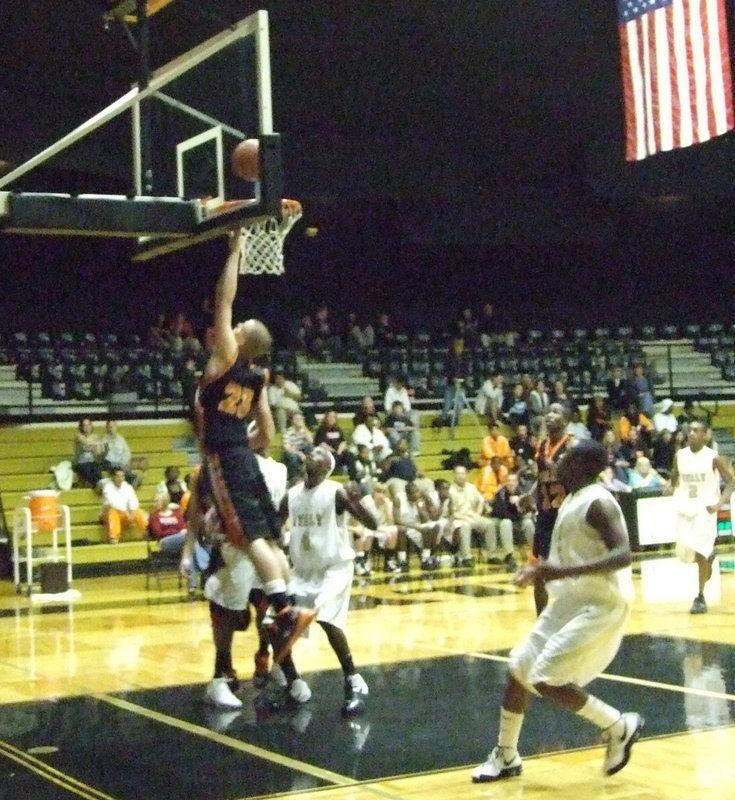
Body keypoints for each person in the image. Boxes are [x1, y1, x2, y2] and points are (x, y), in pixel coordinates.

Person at [471, 439, 643, 783]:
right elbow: (571, 557)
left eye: (566, 456)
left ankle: (617, 724)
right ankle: (506, 756)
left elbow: (625, 554)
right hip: (572, 599)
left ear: (580, 464)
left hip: (601, 603)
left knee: (545, 678)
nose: (558, 461)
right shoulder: (572, 499)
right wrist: (540, 571)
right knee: (519, 667)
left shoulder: (598, 503)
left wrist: (557, 573)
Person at [195, 229, 315, 664]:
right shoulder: (259, 379)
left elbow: (223, 300)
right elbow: (266, 435)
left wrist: (235, 252)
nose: (234, 324)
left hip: (227, 458)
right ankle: (291, 602)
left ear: (242, 341)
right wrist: (242, 441)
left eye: (240, 327)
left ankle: (284, 611)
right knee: (267, 538)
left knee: (249, 538)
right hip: (247, 457)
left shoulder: (228, 356)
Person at [280, 445, 378, 715]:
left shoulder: (335, 492)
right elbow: (273, 526)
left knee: (324, 617)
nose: (312, 455)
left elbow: (373, 524)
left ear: (326, 468)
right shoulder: (292, 496)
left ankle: (353, 681)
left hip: (333, 568)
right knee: (276, 627)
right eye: (311, 453)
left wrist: (358, 503)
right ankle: (294, 685)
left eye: (319, 456)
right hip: (302, 572)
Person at [665, 420, 735, 614]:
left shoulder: (713, 457)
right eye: (690, 430)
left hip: (705, 510)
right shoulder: (679, 455)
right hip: (684, 507)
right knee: (685, 553)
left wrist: (720, 504)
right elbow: (674, 477)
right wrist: (670, 487)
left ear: (705, 435)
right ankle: (709, 557)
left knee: (700, 551)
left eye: (696, 431)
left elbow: (731, 482)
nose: (691, 433)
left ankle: (700, 597)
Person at [524, 403, 573, 615]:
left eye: (556, 412)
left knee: (568, 569)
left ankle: (574, 613)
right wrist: (530, 494)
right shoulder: (541, 446)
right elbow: (541, 477)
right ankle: (540, 620)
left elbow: (577, 478)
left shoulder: (572, 445)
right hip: (545, 515)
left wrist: (559, 469)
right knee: (538, 570)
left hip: (566, 515)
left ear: (566, 420)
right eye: (548, 412)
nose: (550, 416)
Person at [100, 467, 148, 544]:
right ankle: (114, 537)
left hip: (125, 515)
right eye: (118, 476)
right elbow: (114, 503)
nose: (120, 478)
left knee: (138, 511)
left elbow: (133, 500)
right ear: (113, 477)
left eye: (122, 476)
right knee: (113, 511)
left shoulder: (127, 487)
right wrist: (126, 513)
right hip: (108, 515)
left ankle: (146, 532)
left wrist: (133, 511)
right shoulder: (107, 488)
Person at [314, 409, 357, 480]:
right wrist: (334, 451)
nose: (331, 419)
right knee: (334, 457)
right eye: (330, 417)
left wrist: (339, 451)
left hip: (338, 452)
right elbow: (321, 443)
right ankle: (334, 477)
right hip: (327, 452)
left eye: (333, 417)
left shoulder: (338, 429)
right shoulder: (321, 429)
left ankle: (353, 478)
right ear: (326, 418)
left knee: (350, 455)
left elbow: (343, 442)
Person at [281, 411, 314, 483]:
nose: (299, 421)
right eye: (297, 419)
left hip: (303, 451)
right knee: (293, 457)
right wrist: (299, 453)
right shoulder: (287, 433)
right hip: (292, 452)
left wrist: (304, 427)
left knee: (310, 447)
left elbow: (311, 441)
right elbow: (287, 448)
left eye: (301, 419)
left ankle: (311, 475)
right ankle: (296, 478)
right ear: (292, 421)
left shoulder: (304, 431)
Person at [73, 417, 104, 487]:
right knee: (87, 468)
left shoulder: (96, 436)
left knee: (96, 468)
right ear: (81, 427)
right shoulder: (78, 436)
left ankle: (99, 484)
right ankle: (96, 485)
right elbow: (86, 442)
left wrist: (98, 448)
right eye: (84, 425)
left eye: (88, 425)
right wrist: (97, 443)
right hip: (80, 463)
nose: (87, 427)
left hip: (92, 462)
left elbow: (98, 452)